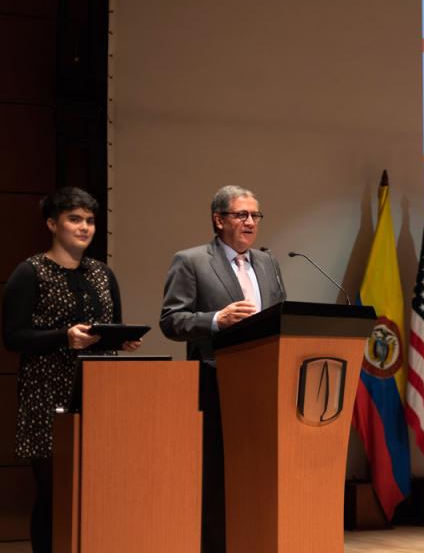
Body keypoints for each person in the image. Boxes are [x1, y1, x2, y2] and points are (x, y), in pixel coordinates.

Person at [2, 187, 141, 553]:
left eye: (90, 220)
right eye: (75, 219)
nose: (85, 227)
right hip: (47, 394)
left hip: (99, 390)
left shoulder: (102, 273)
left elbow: (111, 326)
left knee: (97, 489)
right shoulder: (30, 272)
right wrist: (64, 337)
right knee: (53, 492)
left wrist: (121, 340)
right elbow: (13, 337)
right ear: (52, 224)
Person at [159, 185, 285, 553]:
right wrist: (216, 319)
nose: (250, 222)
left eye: (255, 216)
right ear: (219, 220)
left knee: (256, 475)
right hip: (215, 382)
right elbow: (171, 320)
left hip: (265, 383)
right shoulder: (191, 260)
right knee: (218, 478)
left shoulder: (268, 262)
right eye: (241, 215)